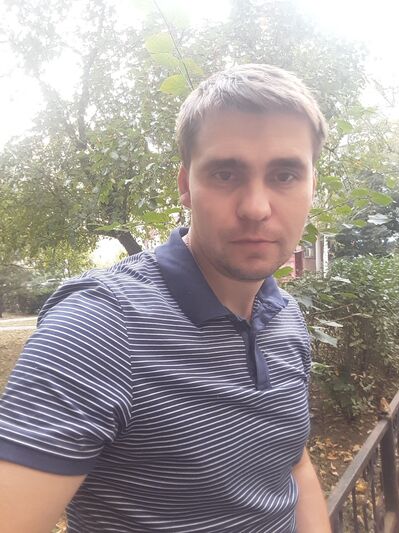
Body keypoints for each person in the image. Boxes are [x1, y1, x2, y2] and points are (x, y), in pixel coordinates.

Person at [0, 64, 331, 533]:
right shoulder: (100, 326)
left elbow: (293, 465)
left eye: (285, 175)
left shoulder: (286, 317)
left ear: (312, 186)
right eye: (225, 174)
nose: (256, 208)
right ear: (185, 186)